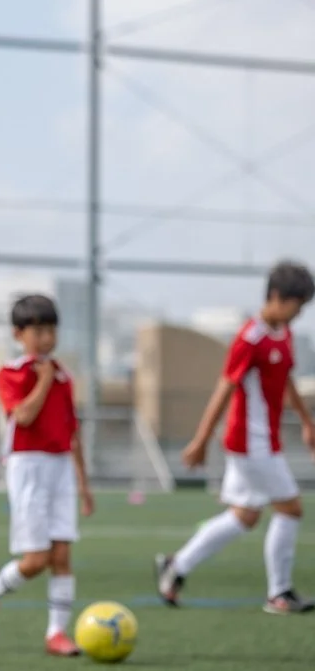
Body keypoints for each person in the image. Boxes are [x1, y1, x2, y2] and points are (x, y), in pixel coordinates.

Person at [155, 260, 315, 614]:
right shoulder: (249, 339)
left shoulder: (283, 334)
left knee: (245, 516)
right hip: (249, 442)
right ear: (275, 296)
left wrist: (306, 422)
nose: (298, 314)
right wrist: (200, 440)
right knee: (291, 508)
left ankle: (176, 566)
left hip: (264, 441)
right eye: (295, 305)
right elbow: (224, 388)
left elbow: (286, 380)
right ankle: (279, 593)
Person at [0, 294, 93, 657]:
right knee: (37, 559)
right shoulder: (11, 373)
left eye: (51, 329)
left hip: (60, 470)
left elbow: (72, 433)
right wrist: (42, 381)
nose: (46, 338)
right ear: (18, 334)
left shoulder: (64, 377)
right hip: (28, 468)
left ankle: (56, 634)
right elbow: (21, 417)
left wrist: (84, 484)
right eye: (38, 330)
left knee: (63, 556)